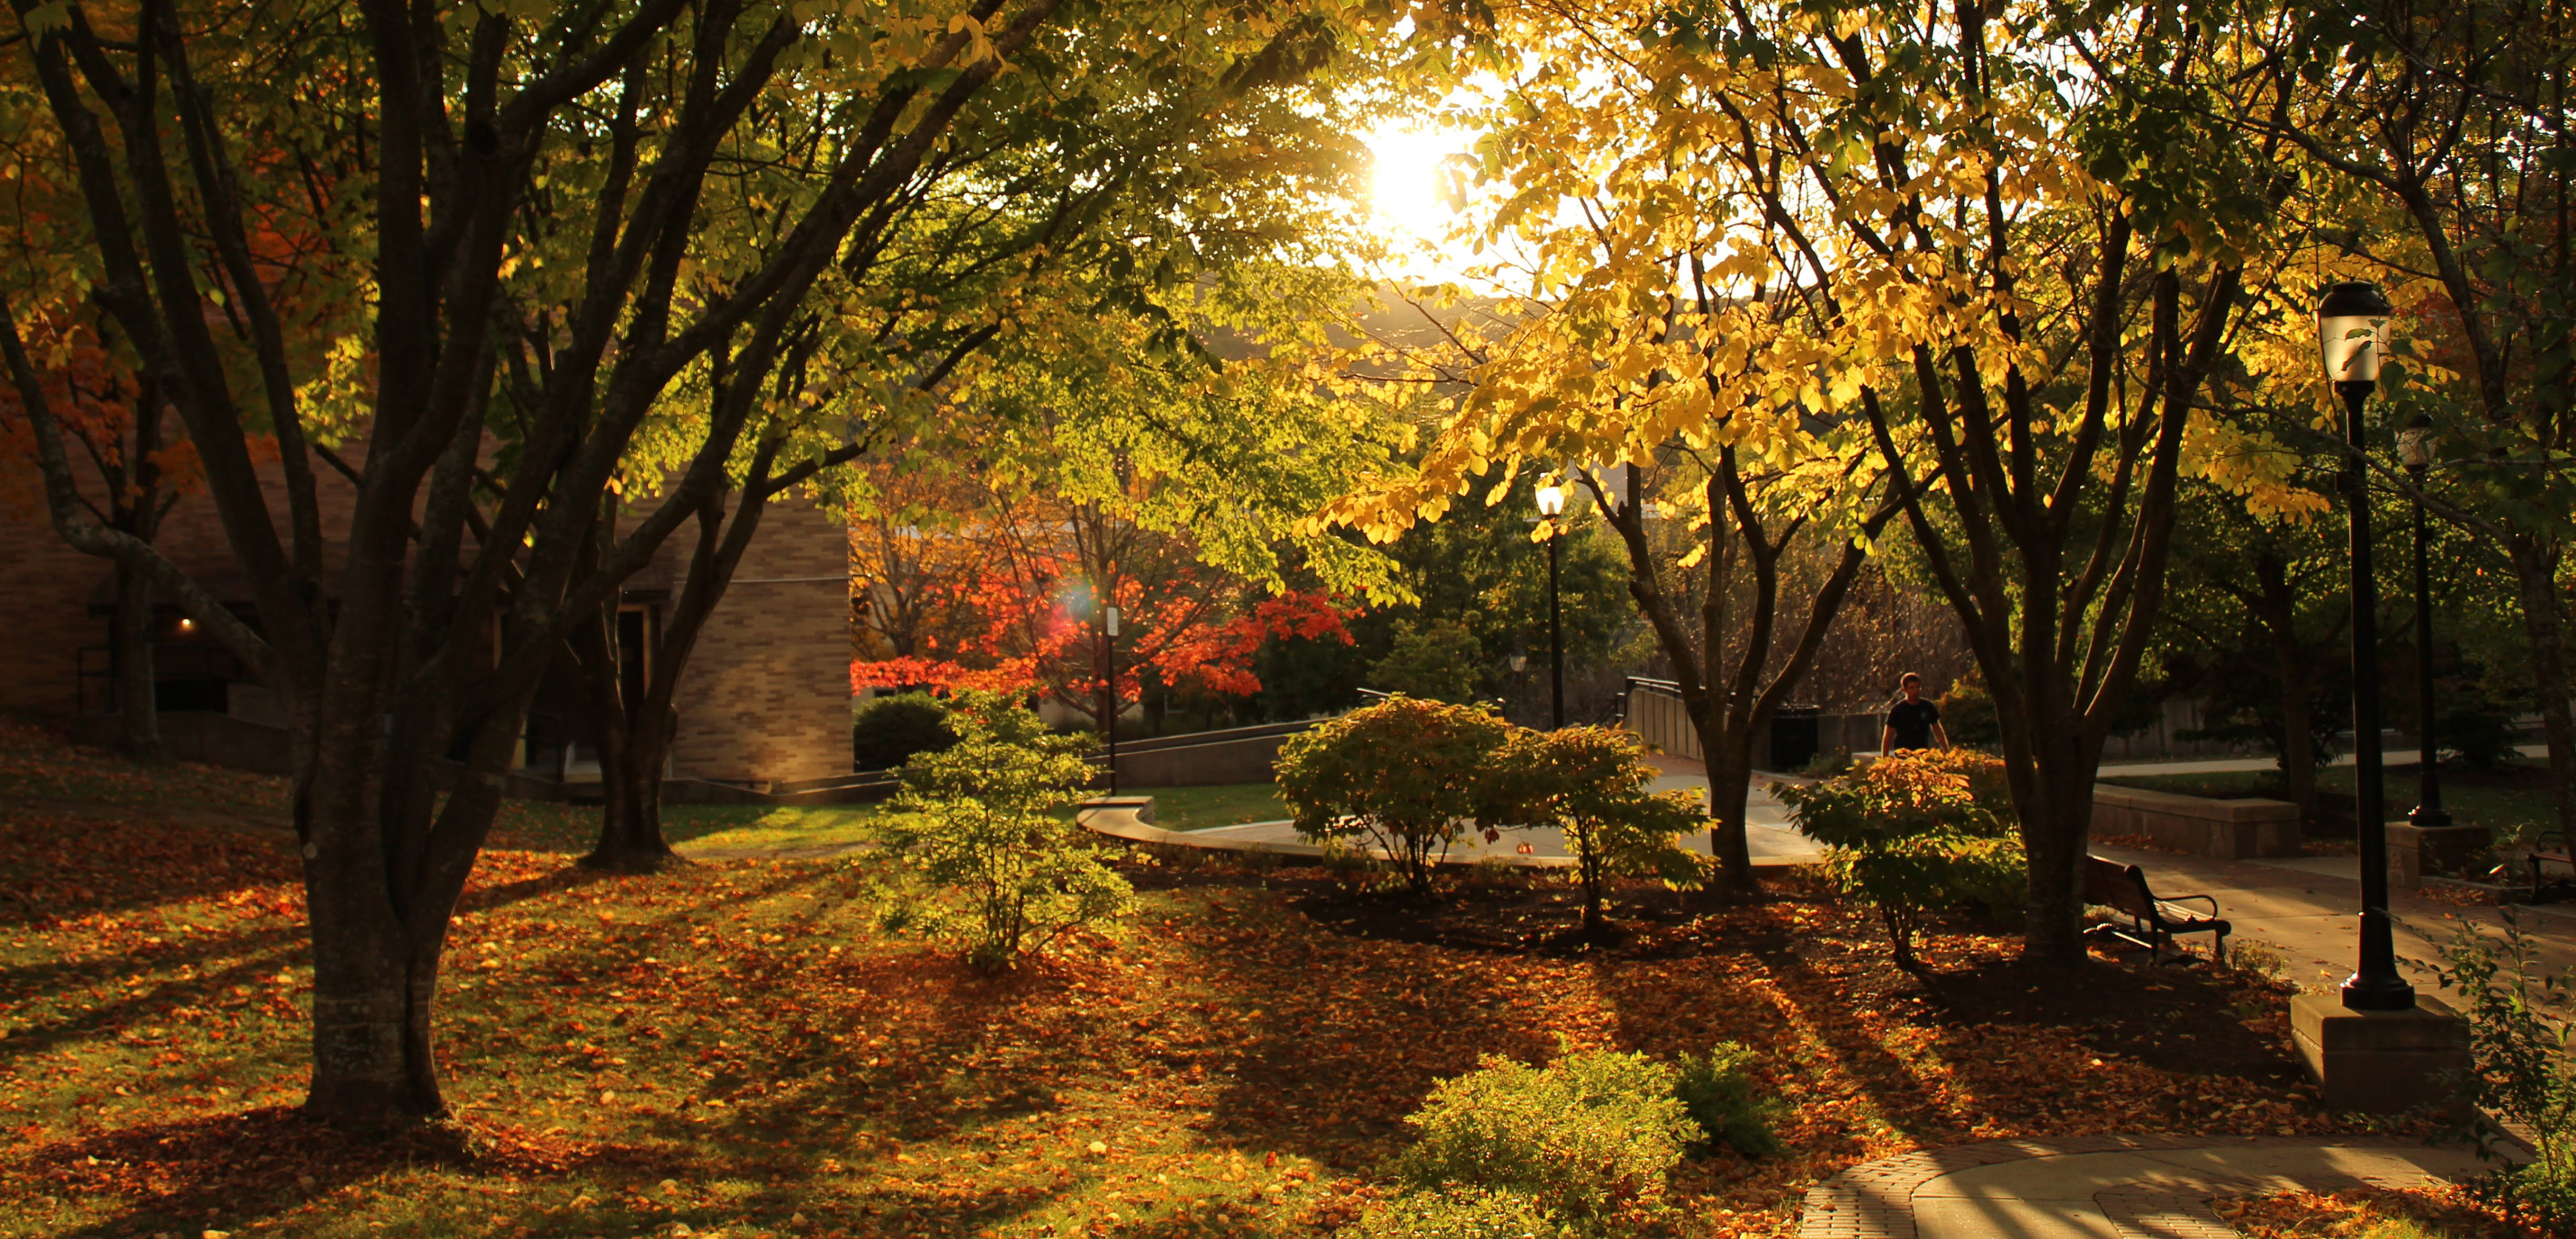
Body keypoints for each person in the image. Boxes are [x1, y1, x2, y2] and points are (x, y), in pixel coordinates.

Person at [1879, 672, 1950, 754]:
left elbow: (1938, 730)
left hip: (1923, 754)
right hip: (1903, 756)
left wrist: (1946, 751)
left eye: (1918, 687)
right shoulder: (1898, 710)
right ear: (1905, 690)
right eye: (1912, 688)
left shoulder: (1928, 707)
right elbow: (1888, 737)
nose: (1916, 691)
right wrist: (1885, 758)